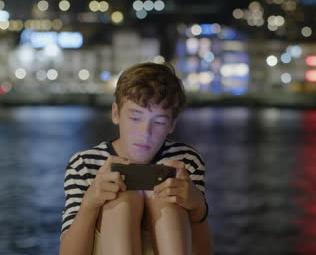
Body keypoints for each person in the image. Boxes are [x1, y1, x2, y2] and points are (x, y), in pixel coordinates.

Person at [59, 62, 213, 255]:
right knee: (124, 198)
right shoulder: (84, 164)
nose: (145, 133)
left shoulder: (185, 161)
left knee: (165, 197)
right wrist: (91, 202)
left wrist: (197, 205)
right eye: (135, 118)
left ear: (172, 124)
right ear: (116, 114)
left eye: (158, 122)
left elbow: (204, 251)